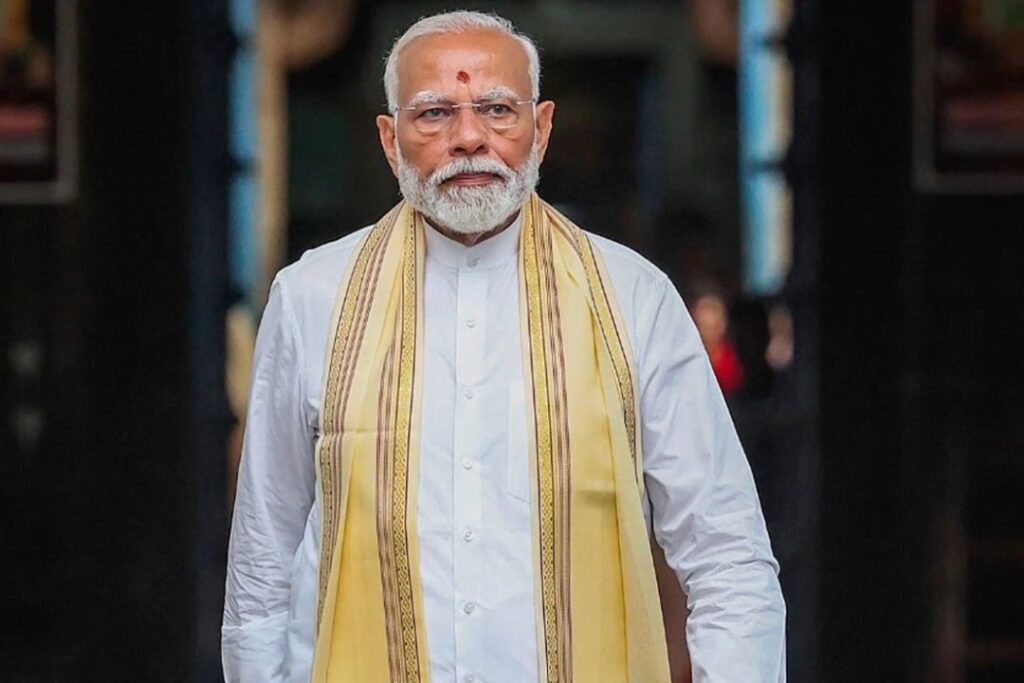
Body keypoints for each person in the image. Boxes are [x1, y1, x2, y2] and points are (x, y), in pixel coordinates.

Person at [222, 11, 785, 682]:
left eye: (497, 110)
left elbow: (727, 559)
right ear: (390, 140)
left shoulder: (633, 300)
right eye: (434, 114)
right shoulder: (313, 299)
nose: (468, 138)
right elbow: (262, 567)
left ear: (541, 129)